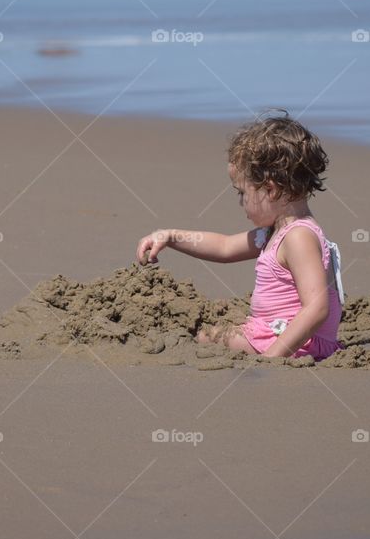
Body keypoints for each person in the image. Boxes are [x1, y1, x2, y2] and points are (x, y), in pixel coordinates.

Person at [135, 112, 344, 360]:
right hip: (279, 333)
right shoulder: (276, 232)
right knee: (214, 333)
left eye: (242, 193)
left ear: (270, 190)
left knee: (206, 337)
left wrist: (273, 357)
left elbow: (317, 308)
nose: (240, 202)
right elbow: (224, 247)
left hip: (295, 343)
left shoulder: (298, 237)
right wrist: (170, 236)